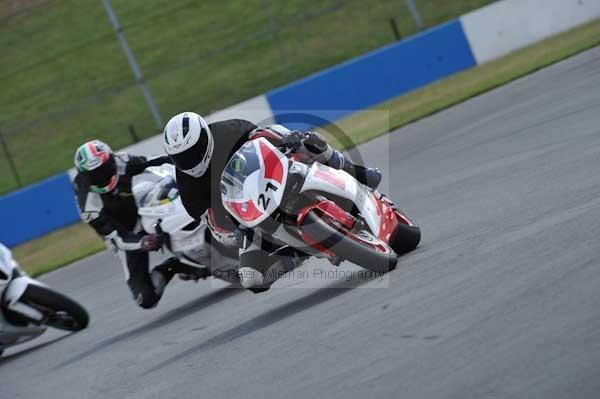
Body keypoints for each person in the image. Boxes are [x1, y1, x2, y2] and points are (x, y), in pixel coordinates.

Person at [162, 112, 382, 292]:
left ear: (205, 136)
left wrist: (288, 138)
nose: (189, 160)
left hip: (275, 174)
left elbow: (262, 134)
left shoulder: (227, 130)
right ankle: (296, 254)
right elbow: (213, 225)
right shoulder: (188, 188)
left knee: (310, 142)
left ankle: (355, 172)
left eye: (193, 151)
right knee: (252, 279)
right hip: (251, 218)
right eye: (181, 157)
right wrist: (234, 234)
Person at [72, 140, 197, 309]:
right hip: (125, 234)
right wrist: (142, 242)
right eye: (94, 174)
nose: (101, 175)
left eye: (104, 168)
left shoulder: (121, 162)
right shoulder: (88, 204)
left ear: (110, 158)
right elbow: (115, 237)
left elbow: (155, 162)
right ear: (85, 175)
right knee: (145, 298)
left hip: (143, 211)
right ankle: (175, 266)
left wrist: (186, 165)